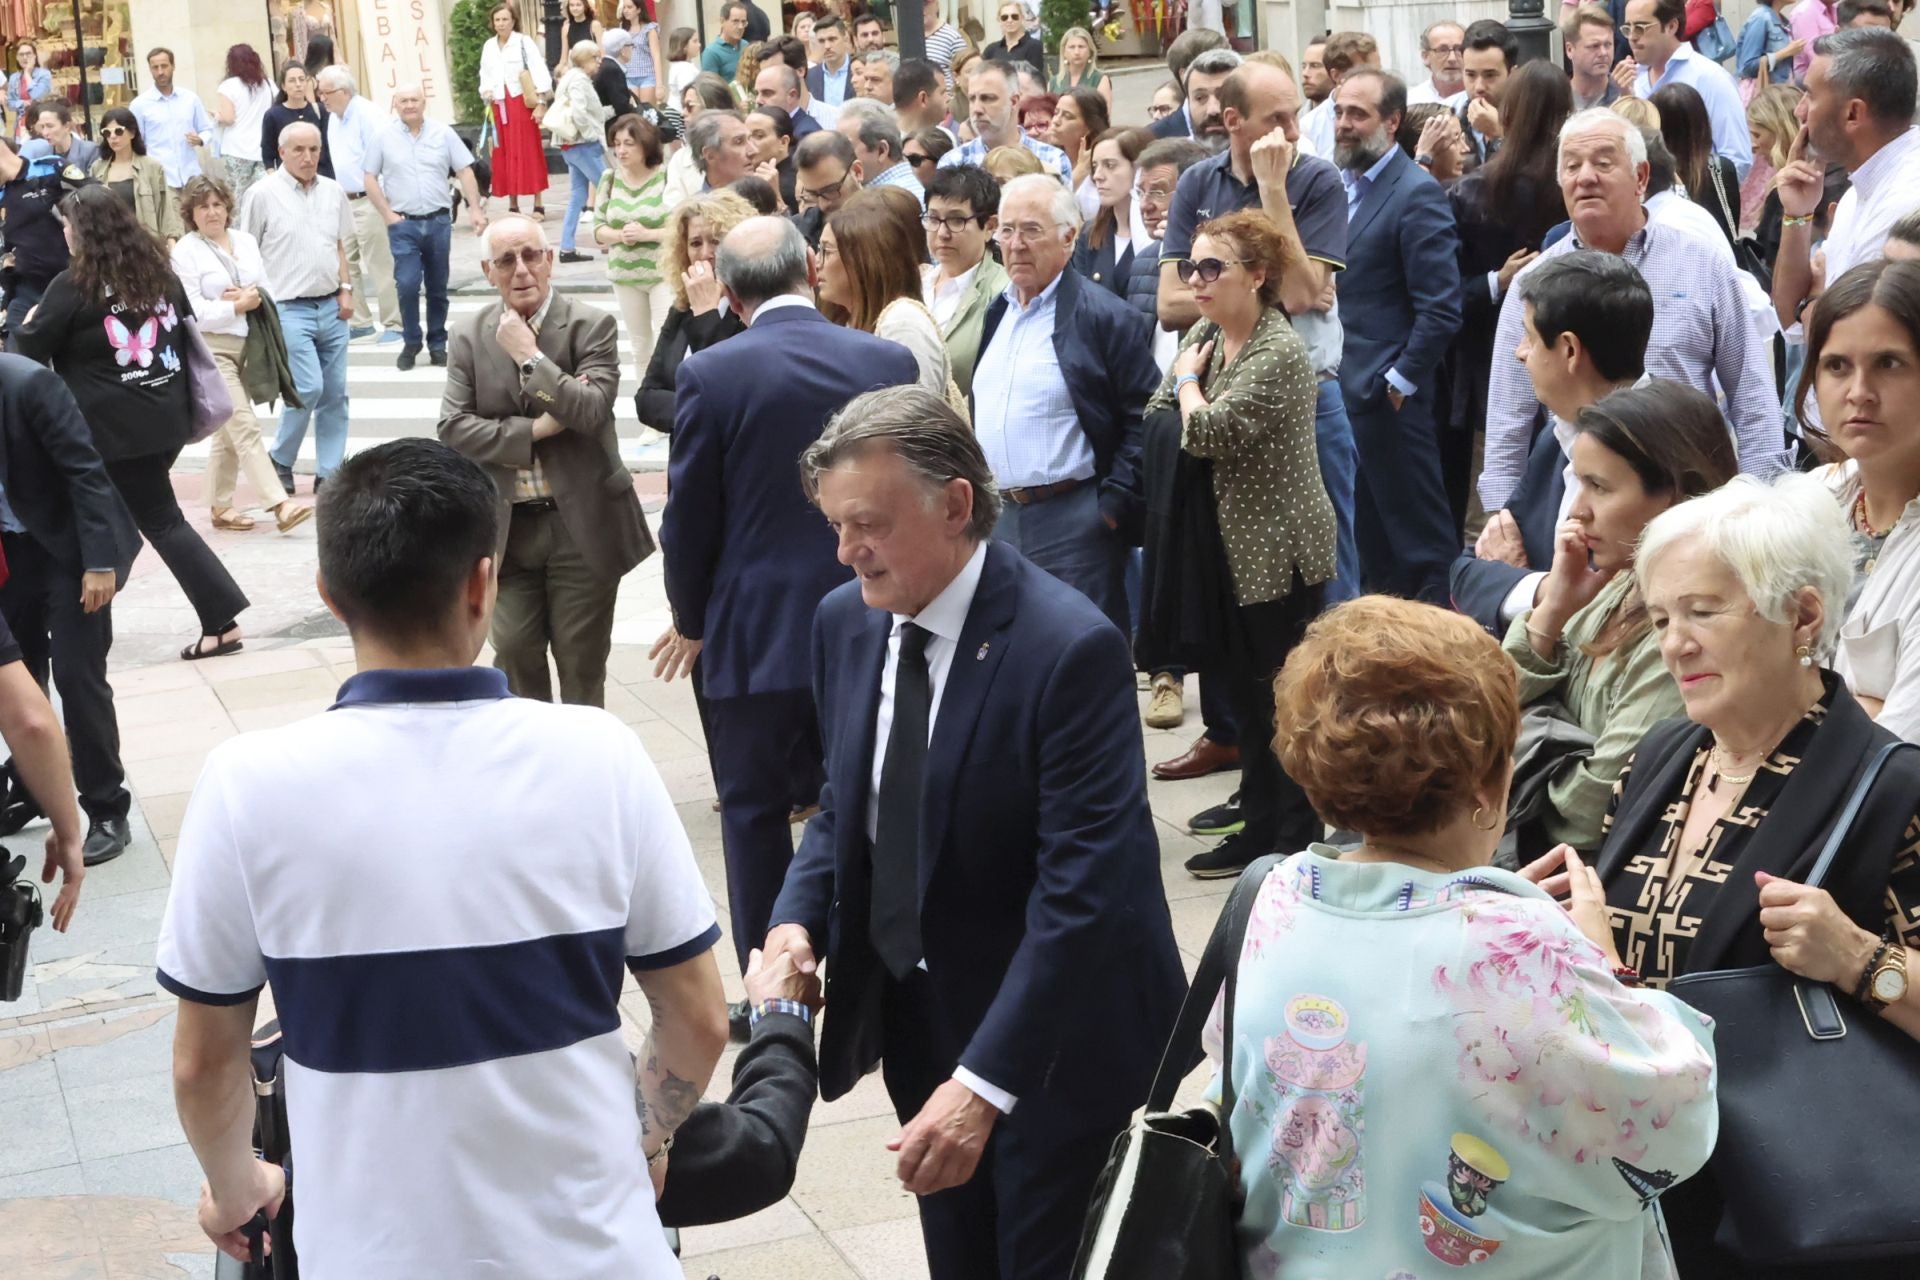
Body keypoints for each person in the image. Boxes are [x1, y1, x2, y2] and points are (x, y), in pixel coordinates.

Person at [157, 437, 726, 1278]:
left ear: (329, 594)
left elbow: (204, 1063)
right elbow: (700, 1019)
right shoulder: (600, 754)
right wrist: (640, 1140)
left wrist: (237, 1187)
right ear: (482, 583)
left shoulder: (247, 784)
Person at [767, 384, 1186, 1280]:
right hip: (922, 1013)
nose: (846, 552)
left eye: (868, 525)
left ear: (955, 505)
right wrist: (794, 920)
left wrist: (986, 1083)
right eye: (835, 525)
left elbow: (1084, 892)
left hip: (1057, 1038)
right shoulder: (847, 622)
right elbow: (848, 802)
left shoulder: (1068, 649)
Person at [1210, 594, 1717, 1276]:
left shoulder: (1271, 900)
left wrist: (1494, 916)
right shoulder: (1521, 947)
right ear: (1487, 782)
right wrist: (1601, 964)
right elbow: (1673, 1128)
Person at [1581, 473, 1920, 1277]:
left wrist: (1859, 959)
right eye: (1661, 618)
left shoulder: (1895, 790)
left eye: (1704, 611)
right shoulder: (1661, 757)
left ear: (1802, 615)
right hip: (1642, 1201)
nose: (1675, 643)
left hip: (1792, 1219)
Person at [656, 216, 916, 984]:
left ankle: (770, 979)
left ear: (729, 295)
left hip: (753, 633)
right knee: (876, 799)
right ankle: (880, 966)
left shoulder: (712, 374)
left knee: (753, 813)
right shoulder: (884, 359)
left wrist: (691, 620)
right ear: (809, 263)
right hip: (873, 612)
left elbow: (688, 518)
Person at [1145, 210, 1334, 878]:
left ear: (1256, 276)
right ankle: (1258, 825)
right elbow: (1156, 415)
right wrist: (1185, 394)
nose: (1195, 281)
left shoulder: (1278, 350)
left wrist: (1187, 383)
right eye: (1190, 267)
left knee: (1283, 705)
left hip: (1279, 557)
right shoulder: (1206, 332)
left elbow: (1206, 431)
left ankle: (1293, 838)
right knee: (1243, 703)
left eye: (1211, 268)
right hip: (1224, 551)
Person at [1482, 110, 1789, 512]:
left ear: (1641, 177)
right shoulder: (1533, 285)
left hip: (1690, 500)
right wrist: (1502, 517)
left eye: (1603, 163)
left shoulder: (1701, 263)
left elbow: (1752, 394)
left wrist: (1762, 502)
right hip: (1580, 507)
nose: (1585, 177)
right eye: (1572, 166)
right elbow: (1508, 419)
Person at [14, 182, 252, 672]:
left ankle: (220, 618)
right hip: (167, 417)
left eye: (66, 227)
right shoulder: (157, 273)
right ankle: (87, 614)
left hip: (115, 432)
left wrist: (31, 318)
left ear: (83, 232)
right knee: (125, 515)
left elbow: (26, 351)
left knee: (156, 520)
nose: (64, 236)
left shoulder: (73, 286)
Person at [1501, 379, 1737, 857]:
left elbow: (1588, 812)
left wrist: (1523, 742)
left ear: (1674, 495)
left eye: (1599, 487)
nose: (1577, 511)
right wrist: (1554, 608)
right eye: (1579, 483)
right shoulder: (1617, 583)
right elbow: (1490, 704)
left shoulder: (1685, 634)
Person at [1159, 60, 1359, 608]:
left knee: (1326, 567)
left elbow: (1298, 295)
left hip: (1309, 397)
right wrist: (1257, 286)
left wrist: (1273, 191)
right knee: (1234, 572)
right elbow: (1169, 302)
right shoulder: (1198, 181)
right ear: (1233, 121)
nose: (1293, 132)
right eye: (1277, 119)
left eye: (1296, 115)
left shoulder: (1316, 179)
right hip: (1221, 396)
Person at [438, 214, 650, 707]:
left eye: (531, 255)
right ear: (488, 272)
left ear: (549, 260)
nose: (521, 270)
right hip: (508, 529)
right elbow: (453, 428)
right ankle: (533, 750)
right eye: (506, 260)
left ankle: (584, 754)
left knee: (581, 662)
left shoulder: (589, 325)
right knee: (513, 651)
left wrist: (530, 357)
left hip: (580, 526)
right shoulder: (468, 335)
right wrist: (533, 431)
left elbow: (589, 411)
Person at [972, 174, 1156, 634]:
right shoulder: (998, 312)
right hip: (1001, 517)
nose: (1016, 244)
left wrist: (1111, 506)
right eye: (1007, 230)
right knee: (1010, 651)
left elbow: (1145, 417)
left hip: (1075, 520)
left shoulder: (1105, 317)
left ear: (1069, 237)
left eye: (1031, 230)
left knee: (1083, 649)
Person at [1453, 251, 1654, 635]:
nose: (1520, 352)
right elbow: (1467, 570)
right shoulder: (1557, 435)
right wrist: (1545, 589)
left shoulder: (1657, 448)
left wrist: (1528, 585)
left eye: (1529, 337)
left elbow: (1609, 610)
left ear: (1569, 350)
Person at [0, 330, 141, 866]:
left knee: (78, 676)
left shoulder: (30, 384)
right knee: (19, 677)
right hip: (10, 553)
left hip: (71, 549)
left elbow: (87, 473)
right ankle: (34, 784)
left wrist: (99, 564)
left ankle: (107, 808)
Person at [1332, 68, 1463, 603]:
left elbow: (1441, 308)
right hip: (1346, 397)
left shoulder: (1415, 194)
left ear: (1392, 122)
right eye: (1339, 111)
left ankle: (1443, 642)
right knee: (1370, 547)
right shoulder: (1340, 189)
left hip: (1390, 404)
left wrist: (1399, 382)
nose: (1343, 124)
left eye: (1357, 114)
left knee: (1420, 544)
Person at [1446, 61, 1572, 538]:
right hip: (1569, 353)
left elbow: (1448, 291)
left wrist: (1494, 283)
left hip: (1488, 361)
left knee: (1493, 495)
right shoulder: (1572, 188)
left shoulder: (1474, 190)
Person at [1803, 260, 1920, 738]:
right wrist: (1855, 715)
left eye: (1888, 364)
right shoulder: (1811, 502)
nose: (1859, 393)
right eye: (1837, 366)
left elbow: (1900, 755)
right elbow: (1739, 680)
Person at [170, 176, 311, 535]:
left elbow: (265, 288)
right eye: (203, 206)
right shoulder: (185, 251)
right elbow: (193, 311)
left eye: (217, 204)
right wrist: (235, 306)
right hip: (212, 348)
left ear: (228, 207)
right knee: (243, 424)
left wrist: (252, 298)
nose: (212, 212)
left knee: (228, 430)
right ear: (191, 213)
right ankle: (280, 503)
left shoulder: (245, 241)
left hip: (250, 344)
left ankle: (220, 505)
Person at [1771, 30, 1920, 338]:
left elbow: (1841, 339)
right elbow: (1790, 320)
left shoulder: (1905, 201)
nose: (1799, 111)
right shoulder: (1861, 189)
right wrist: (1797, 214)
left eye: (1810, 96)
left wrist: (1815, 299)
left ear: (1853, 113)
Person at [239, 122, 354, 496]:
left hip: (330, 303)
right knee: (307, 385)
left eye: (314, 149)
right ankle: (281, 458)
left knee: (335, 393)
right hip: (287, 306)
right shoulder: (261, 194)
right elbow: (247, 250)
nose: (308, 157)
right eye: (299, 150)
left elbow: (338, 245)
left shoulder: (333, 191)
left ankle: (329, 472)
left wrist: (347, 289)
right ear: (282, 151)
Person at [360, 86, 486, 375]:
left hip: (438, 221)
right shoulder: (382, 136)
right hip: (403, 224)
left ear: (424, 103)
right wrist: (387, 214)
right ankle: (411, 340)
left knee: (438, 287)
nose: (409, 105)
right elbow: (369, 177)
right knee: (406, 284)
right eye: (403, 100)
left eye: (414, 100)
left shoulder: (443, 133)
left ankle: (438, 343)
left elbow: (465, 170)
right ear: (395, 105)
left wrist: (475, 209)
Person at [634, 189, 752, 432]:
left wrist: (707, 313)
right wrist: (699, 415)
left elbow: (726, 389)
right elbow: (646, 398)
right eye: (696, 243)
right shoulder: (682, 307)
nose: (706, 254)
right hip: (686, 450)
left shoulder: (751, 310)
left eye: (716, 241)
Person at [821, 188, 951, 397]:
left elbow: (919, 413)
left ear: (862, 259)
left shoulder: (903, 322)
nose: (816, 262)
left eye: (826, 251)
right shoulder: (844, 317)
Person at [316, 65, 404, 340]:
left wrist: (386, 202)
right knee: (346, 262)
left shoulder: (368, 114)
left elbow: (388, 157)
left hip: (370, 198)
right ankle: (360, 320)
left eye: (326, 92)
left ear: (344, 91)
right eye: (320, 93)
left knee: (380, 262)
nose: (322, 98)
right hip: (345, 199)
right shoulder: (334, 118)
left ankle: (394, 322)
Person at [1620, 0, 1753, 179]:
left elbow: (1737, 159)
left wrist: (1699, 192)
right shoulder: (1633, 79)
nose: (1632, 37)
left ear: (1671, 26)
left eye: (1640, 27)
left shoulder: (1710, 77)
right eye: (1627, 28)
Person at [593, 112, 671, 389]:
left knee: (665, 343)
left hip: (662, 272)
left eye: (629, 143)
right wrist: (619, 235)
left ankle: (669, 402)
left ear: (645, 144)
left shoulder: (666, 176)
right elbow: (598, 227)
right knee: (639, 347)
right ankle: (646, 405)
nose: (621, 150)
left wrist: (647, 234)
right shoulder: (609, 179)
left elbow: (682, 227)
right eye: (617, 144)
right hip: (624, 274)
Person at [921, 163, 1007, 397]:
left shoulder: (1004, 293)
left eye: (956, 220)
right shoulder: (917, 283)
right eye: (933, 219)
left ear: (990, 227)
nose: (942, 233)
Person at [0, 135, 86, 336]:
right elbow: (6, 250)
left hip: (74, 282)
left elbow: (99, 198)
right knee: (17, 350)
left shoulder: (50, 168)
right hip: (27, 291)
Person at [937, 61, 1071, 183]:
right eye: (972, 99)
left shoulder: (1052, 159)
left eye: (987, 98)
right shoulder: (953, 163)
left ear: (1014, 101)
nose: (977, 109)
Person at [478, 5, 553, 220]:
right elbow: (484, 73)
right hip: (499, 104)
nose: (501, 23)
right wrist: (486, 91)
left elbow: (538, 70)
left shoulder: (523, 42)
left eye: (505, 19)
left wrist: (541, 103)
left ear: (513, 21)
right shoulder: (489, 46)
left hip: (520, 102)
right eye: (497, 20)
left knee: (528, 149)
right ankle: (513, 204)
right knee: (505, 152)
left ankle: (538, 203)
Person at [1650, 81, 1740, 244]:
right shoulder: (1720, 170)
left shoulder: (1648, 174)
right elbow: (1730, 230)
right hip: (1715, 255)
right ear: (1702, 123)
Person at [1070, 126, 1151, 297]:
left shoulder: (1159, 234)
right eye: (1094, 166)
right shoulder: (1090, 233)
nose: (1097, 176)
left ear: (1139, 169)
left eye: (1110, 165)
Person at [549, 43, 610, 263]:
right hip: (582, 143)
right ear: (585, 59)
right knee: (609, 188)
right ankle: (609, 240)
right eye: (595, 57)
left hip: (570, 145)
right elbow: (579, 111)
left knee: (578, 196)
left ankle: (567, 247)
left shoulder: (568, 78)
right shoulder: (579, 80)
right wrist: (591, 134)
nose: (599, 62)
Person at [87, 108, 183, 243]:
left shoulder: (152, 167)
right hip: (110, 245)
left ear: (132, 133)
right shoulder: (97, 169)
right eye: (107, 133)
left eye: (118, 131)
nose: (113, 137)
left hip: (145, 245)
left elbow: (166, 210)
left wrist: (171, 242)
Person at [129, 47, 211, 194]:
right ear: (150, 70)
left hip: (192, 176)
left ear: (173, 66)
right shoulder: (139, 105)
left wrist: (200, 139)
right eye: (155, 67)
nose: (160, 72)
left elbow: (207, 129)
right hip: (162, 180)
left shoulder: (190, 99)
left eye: (164, 66)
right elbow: (136, 142)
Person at [212, 45, 274, 210]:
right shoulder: (268, 84)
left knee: (237, 199)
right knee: (264, 195)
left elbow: (228, 118)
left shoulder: (228, 86)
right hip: (262, 148)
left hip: (236, 149)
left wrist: (216, 116)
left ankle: (239, 227)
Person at [1301, 31, 1379, 157]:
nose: (1377, 79)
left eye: (1378, 71)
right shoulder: (1309, 128)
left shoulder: (1386, 114)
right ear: (1337, 76)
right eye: (1366, 73)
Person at [1456, 19, 1516, 172]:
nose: (1479, 87)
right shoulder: (1451, 115)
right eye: (1470, 75)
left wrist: (1499, 134)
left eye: (1490, 75)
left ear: (1512, 74)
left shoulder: (1533, 119)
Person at [836, 98, 920, 200]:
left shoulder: (891, 201)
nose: (837, 156)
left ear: (881, 151)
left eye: (846, 147)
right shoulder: (914, 183)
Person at [791, 129, 862, 247]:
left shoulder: (890, 222)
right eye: (813, 194)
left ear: (857, 172)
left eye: (830, 190)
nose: (823, 205)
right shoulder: (796, 233)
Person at [261, 60, 330, 178]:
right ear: (283, 86)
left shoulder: (320, 111)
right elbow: (268, 153)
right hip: (289, 177)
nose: (298, 84)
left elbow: (327, 147)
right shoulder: (272, 115)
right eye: (292, 81)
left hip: (320, 175)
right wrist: (273, 177)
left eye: (301, 79)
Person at [1049, 86, 1108, 221]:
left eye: (1067, 116)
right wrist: (1079, 172)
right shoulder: (1048, 160)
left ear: (1089, 126)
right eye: (1056, 113)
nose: (1056, 121)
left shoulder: (1105, 166)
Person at [1565, 5, 1624, 110]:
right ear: (1570, 50)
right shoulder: (1557, 99)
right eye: (1594, 46)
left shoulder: (1623, 96)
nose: (1603, 53)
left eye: (1608, 45)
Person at [1739, 0, 1804, 88]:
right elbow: (1748, 67)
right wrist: (1785, 52)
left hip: (1782, 90)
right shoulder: (1760, 18)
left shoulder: (1783, 21)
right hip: (1767, 92)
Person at [747, 103, 797, 209]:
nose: (749, 144)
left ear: (783, 142)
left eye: (759, 136)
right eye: (746, 137)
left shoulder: (792, 185)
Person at [1050, 26, 1112, 111]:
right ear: (1064, 52)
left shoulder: (1100, 79)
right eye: (1072, 47)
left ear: (1090, 51)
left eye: (1081, 47)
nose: (1077, 52)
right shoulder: (1054, 82)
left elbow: (1105, 115)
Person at [27, 100, 98, 173]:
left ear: (67, 126)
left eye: (50, 126)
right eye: (42, 127)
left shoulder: (89, 151)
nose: (45, 133)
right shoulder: (41, 154)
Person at [1408, 20, 1467, 106]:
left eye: (1459, 49)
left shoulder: (1480, 97)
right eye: (1443, 50)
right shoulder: (1412, 101)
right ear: (1425, 56)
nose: (1452, 58)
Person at [5, 41, 51, 144]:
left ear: (35, 56)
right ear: (17, 58)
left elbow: (37, 95)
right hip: (22, 123)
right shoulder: (14, 78)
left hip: (41, 121)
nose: (25, 57)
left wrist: (27, 74)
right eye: (21, 54)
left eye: (28, 53)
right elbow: (10, 103)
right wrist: (21, 103)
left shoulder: (44, 74)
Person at [983, 3, 1044, 76]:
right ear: (999, 20)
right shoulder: (991, 50)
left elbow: (1035, 77)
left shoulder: (1034, 46)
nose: (1009, 20)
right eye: (1004, 17)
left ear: (1022, 18)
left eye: (1014, 16)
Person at [805, 15, 853, 106]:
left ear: (846, 39)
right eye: (821, 41)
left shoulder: (860, 71)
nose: (827, 46)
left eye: (832, 39)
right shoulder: (810, 76)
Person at [894, 59, 951, 136]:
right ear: (923, 98)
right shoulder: (887, 140)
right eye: (942, 93)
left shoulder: (947, 136)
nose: (948, 98)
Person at [596, 28, 639, 119]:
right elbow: (622, 106)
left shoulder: (607, 64)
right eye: (631, 45)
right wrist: (631, 104)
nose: (632, 49)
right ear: (623, 50)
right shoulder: (612, 70)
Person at [1789, 0, 1841, 77]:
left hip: (1830, 70)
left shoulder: (1832, 7)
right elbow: (1811, 53)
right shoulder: (1805, 11)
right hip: (1809, 76)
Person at [554, 0, 602, 79]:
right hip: (575, 71)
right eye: (572, 5)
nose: (575, 8)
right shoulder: (566, 28)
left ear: (585, 6)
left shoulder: (594, 25)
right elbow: (563, 59)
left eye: (578, 5)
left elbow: (602, 54)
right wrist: (558, 72)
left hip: (592, 70)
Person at [702, 2, 749, 80]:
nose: (740, 27)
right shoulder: (711, 52)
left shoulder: (746, 45)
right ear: (722, 21)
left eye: (743, 22)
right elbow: (710, 85)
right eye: (735, 21)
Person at [666, 26, 702, 102]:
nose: (699, 45)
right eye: (695, 41)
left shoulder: (681, 65)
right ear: (684, 46)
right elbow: (687, 96)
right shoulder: (684, 69)